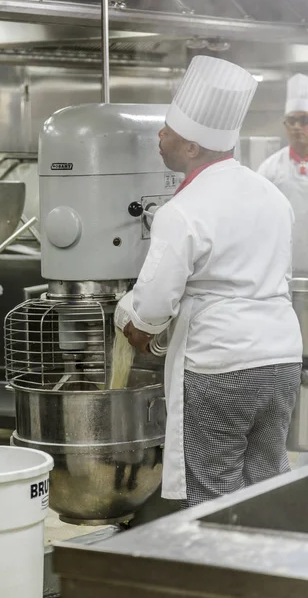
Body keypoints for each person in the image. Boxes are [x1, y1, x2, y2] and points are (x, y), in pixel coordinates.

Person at [116, 55, 303, 508]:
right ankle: (268, 573)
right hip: (281, 361)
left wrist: (128, 319)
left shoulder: (183, 210)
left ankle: (217, 575)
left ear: (193, 148)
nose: (160, 136)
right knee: (265, 483)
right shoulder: (271, 193)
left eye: (168, 130)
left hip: (221, 366)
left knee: (213, 495)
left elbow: (152, 310)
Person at [258, 73, 308, 275]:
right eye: (291, 120)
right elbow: (258, 218)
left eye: (304, 120)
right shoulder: (269, 169)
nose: (297, 127)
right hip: (284, 268)